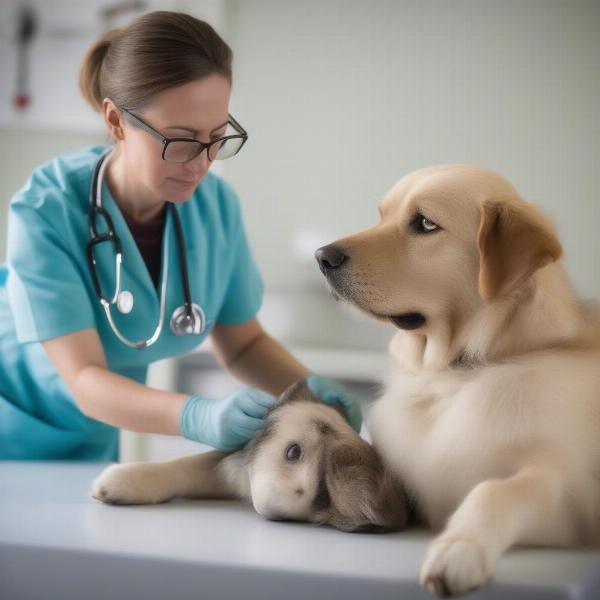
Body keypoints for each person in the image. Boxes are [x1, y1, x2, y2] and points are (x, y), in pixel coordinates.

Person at [0, 11, 362, 461]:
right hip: (11, 427)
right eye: (181, 139)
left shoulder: (216, 208)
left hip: (97, 434)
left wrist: (309, 392)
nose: (201, 162)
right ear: (116, 121)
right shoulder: (46, 211)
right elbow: (85, 379)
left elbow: (243, 342)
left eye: (216, 137)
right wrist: (198, 418)